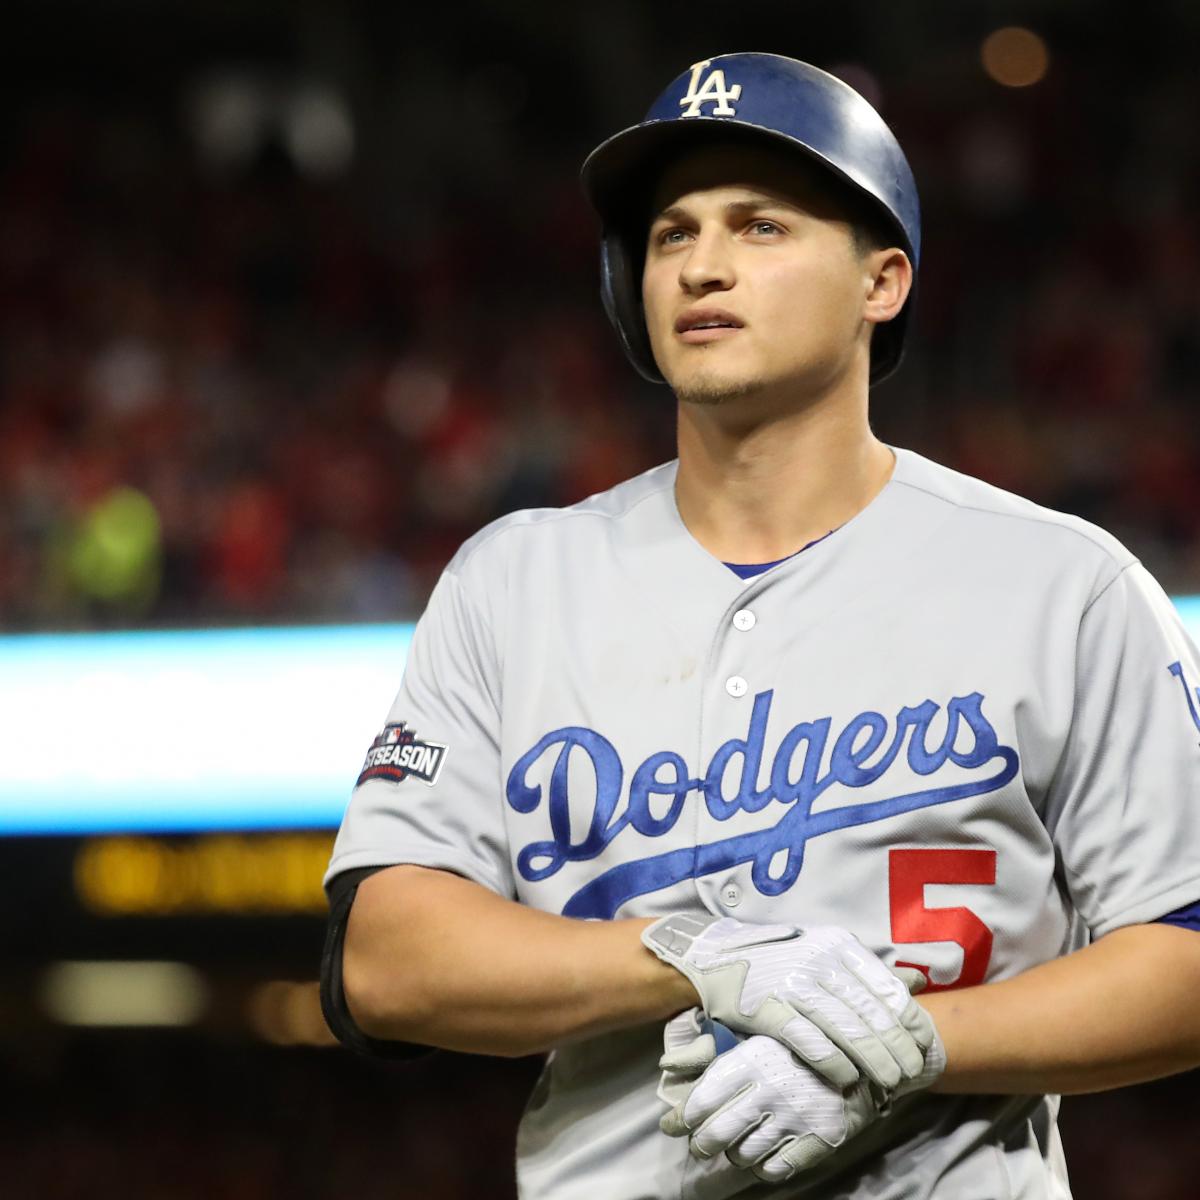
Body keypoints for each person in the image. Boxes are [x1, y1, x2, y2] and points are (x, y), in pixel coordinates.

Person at [321, 53, 1200, 1199]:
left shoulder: (1062, 584)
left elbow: (1182, 958)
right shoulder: (511, 580)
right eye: (672, 233)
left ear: (882, 282)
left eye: (761, 226)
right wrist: (691, 952)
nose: (702, 265)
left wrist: (915, 1049)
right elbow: (385, 962)